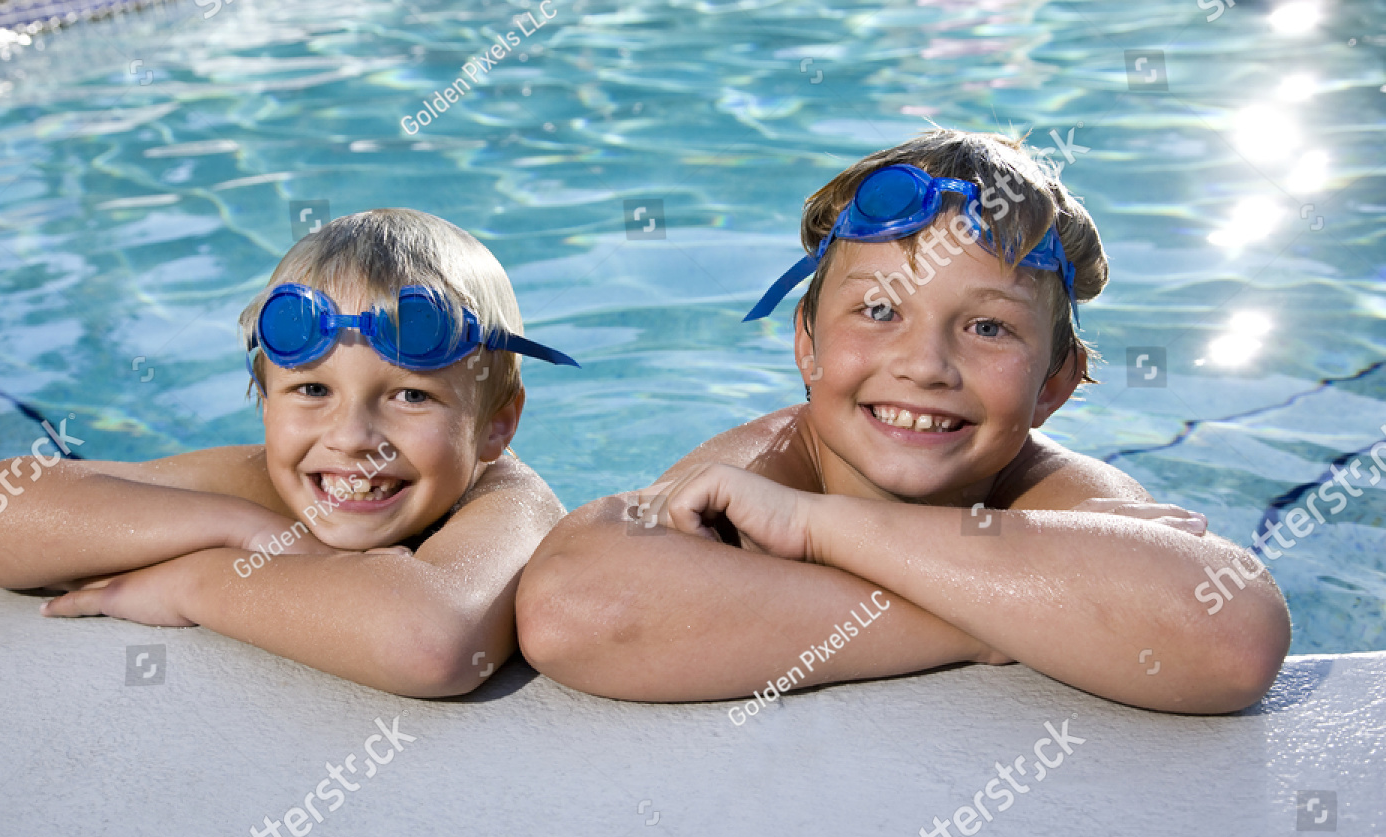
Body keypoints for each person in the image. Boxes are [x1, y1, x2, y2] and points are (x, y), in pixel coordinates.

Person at [516, 129, 1289, 714]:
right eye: (878, 310)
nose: (925, 365)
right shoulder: (771, 462)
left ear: (1055, 382)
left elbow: (1232, 637)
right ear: (808, 344)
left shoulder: (1042, 485)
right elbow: (571, 609)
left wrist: (818, 530)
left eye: (989, 327)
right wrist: (992, 622)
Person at [0, 208, 577, 698]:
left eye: (409, 396)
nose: (351, 439)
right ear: (264, 398)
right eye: (312, 389)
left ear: (496, 424)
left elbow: (432, 644)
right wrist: (242, 529)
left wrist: (195, 582)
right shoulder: (262, 488)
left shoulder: (507, 504)